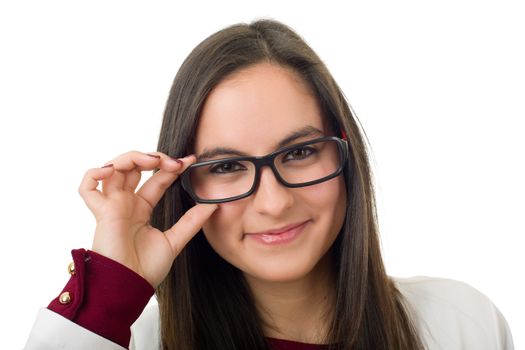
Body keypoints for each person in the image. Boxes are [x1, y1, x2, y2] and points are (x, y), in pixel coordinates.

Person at [24, 19, 513, 350]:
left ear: (346, 156)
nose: (274, 203)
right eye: (225, 167)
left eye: (300, 153)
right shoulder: (126, 339)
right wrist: (111, 288)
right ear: (182, 184)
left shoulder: (460, 324)